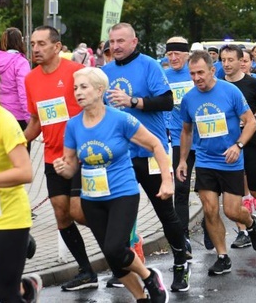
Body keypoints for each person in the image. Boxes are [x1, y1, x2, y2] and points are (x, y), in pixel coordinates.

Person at [53, 67, 170, 303]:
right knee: (111, 255)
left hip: (122, 192)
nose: (78, 92)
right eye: (75, 88)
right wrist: (64, 169)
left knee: (116, 248)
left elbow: (156, 145)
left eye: (84, 87)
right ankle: (141, 298)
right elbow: (72, 166)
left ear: (100, 90)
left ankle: (149, 277)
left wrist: (167, 180)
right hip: (92, 198)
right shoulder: (73, 126)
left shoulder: (121, 119)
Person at [102, 23, 189, 291]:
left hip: (152, 154)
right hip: (120, 158)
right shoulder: (104, 73)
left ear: (134, 42)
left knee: (165, 213)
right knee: (119, 217)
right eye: (112, 41)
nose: (115, 46)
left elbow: (166, 101)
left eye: (120, 41)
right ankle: (128, 267)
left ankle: (180, 262)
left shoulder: (149, 65)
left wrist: (133, 101)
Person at [176, 50, 256, 276]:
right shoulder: (189, 98)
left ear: (212, 71)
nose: (196, 78)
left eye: (201, 73)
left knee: (234, 212)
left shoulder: (230, 91)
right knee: (210, 209)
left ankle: (251, 223)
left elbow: (251, 122)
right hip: (205, 160)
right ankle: (222, 256)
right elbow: (186, 131)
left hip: (230, 161)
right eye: (192, 74)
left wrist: (239, 146)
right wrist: (183, 160)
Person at [23, 26, 97, 291]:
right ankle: (86, 270)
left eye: (42, 44)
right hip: (52, 155)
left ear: (57, 47)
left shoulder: (76, 73)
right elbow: (36, 119)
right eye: (32, 44)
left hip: (81, 153)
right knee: (61, 213)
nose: (35, 49)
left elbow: (94, 109)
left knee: (79, 211)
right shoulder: (30, 79)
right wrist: (18, 142)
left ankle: (120, 243)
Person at [0, 58, 38, 303]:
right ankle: (25, 285)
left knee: (7, 294)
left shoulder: (3, 121)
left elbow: (26, 172)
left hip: (9, 220)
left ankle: (20, 287)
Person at [220, 45, 256, 249]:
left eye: (230, 60)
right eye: (223, 60)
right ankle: (243, 230)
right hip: (228, 144)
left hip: (252, 140)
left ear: (240, 61)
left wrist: (254, 119)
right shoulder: (217, 85)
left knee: (254, 188)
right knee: (234, 189)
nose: (226, 64)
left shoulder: (253, 83)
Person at [163, 36, 196, 255]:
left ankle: (210, 225)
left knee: (208, 188)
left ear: (186, 55)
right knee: (181, 189)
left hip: (204, 138)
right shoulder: (164, 77)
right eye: (170, 54)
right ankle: (183, 238)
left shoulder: (195, 73)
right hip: (178, 138)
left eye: (178, 54)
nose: (174, 58)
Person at [0, 28, 30, 132]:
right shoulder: (21, 62)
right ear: (20, 41)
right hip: (17, 116)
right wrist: (29, 119)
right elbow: (23, 92)